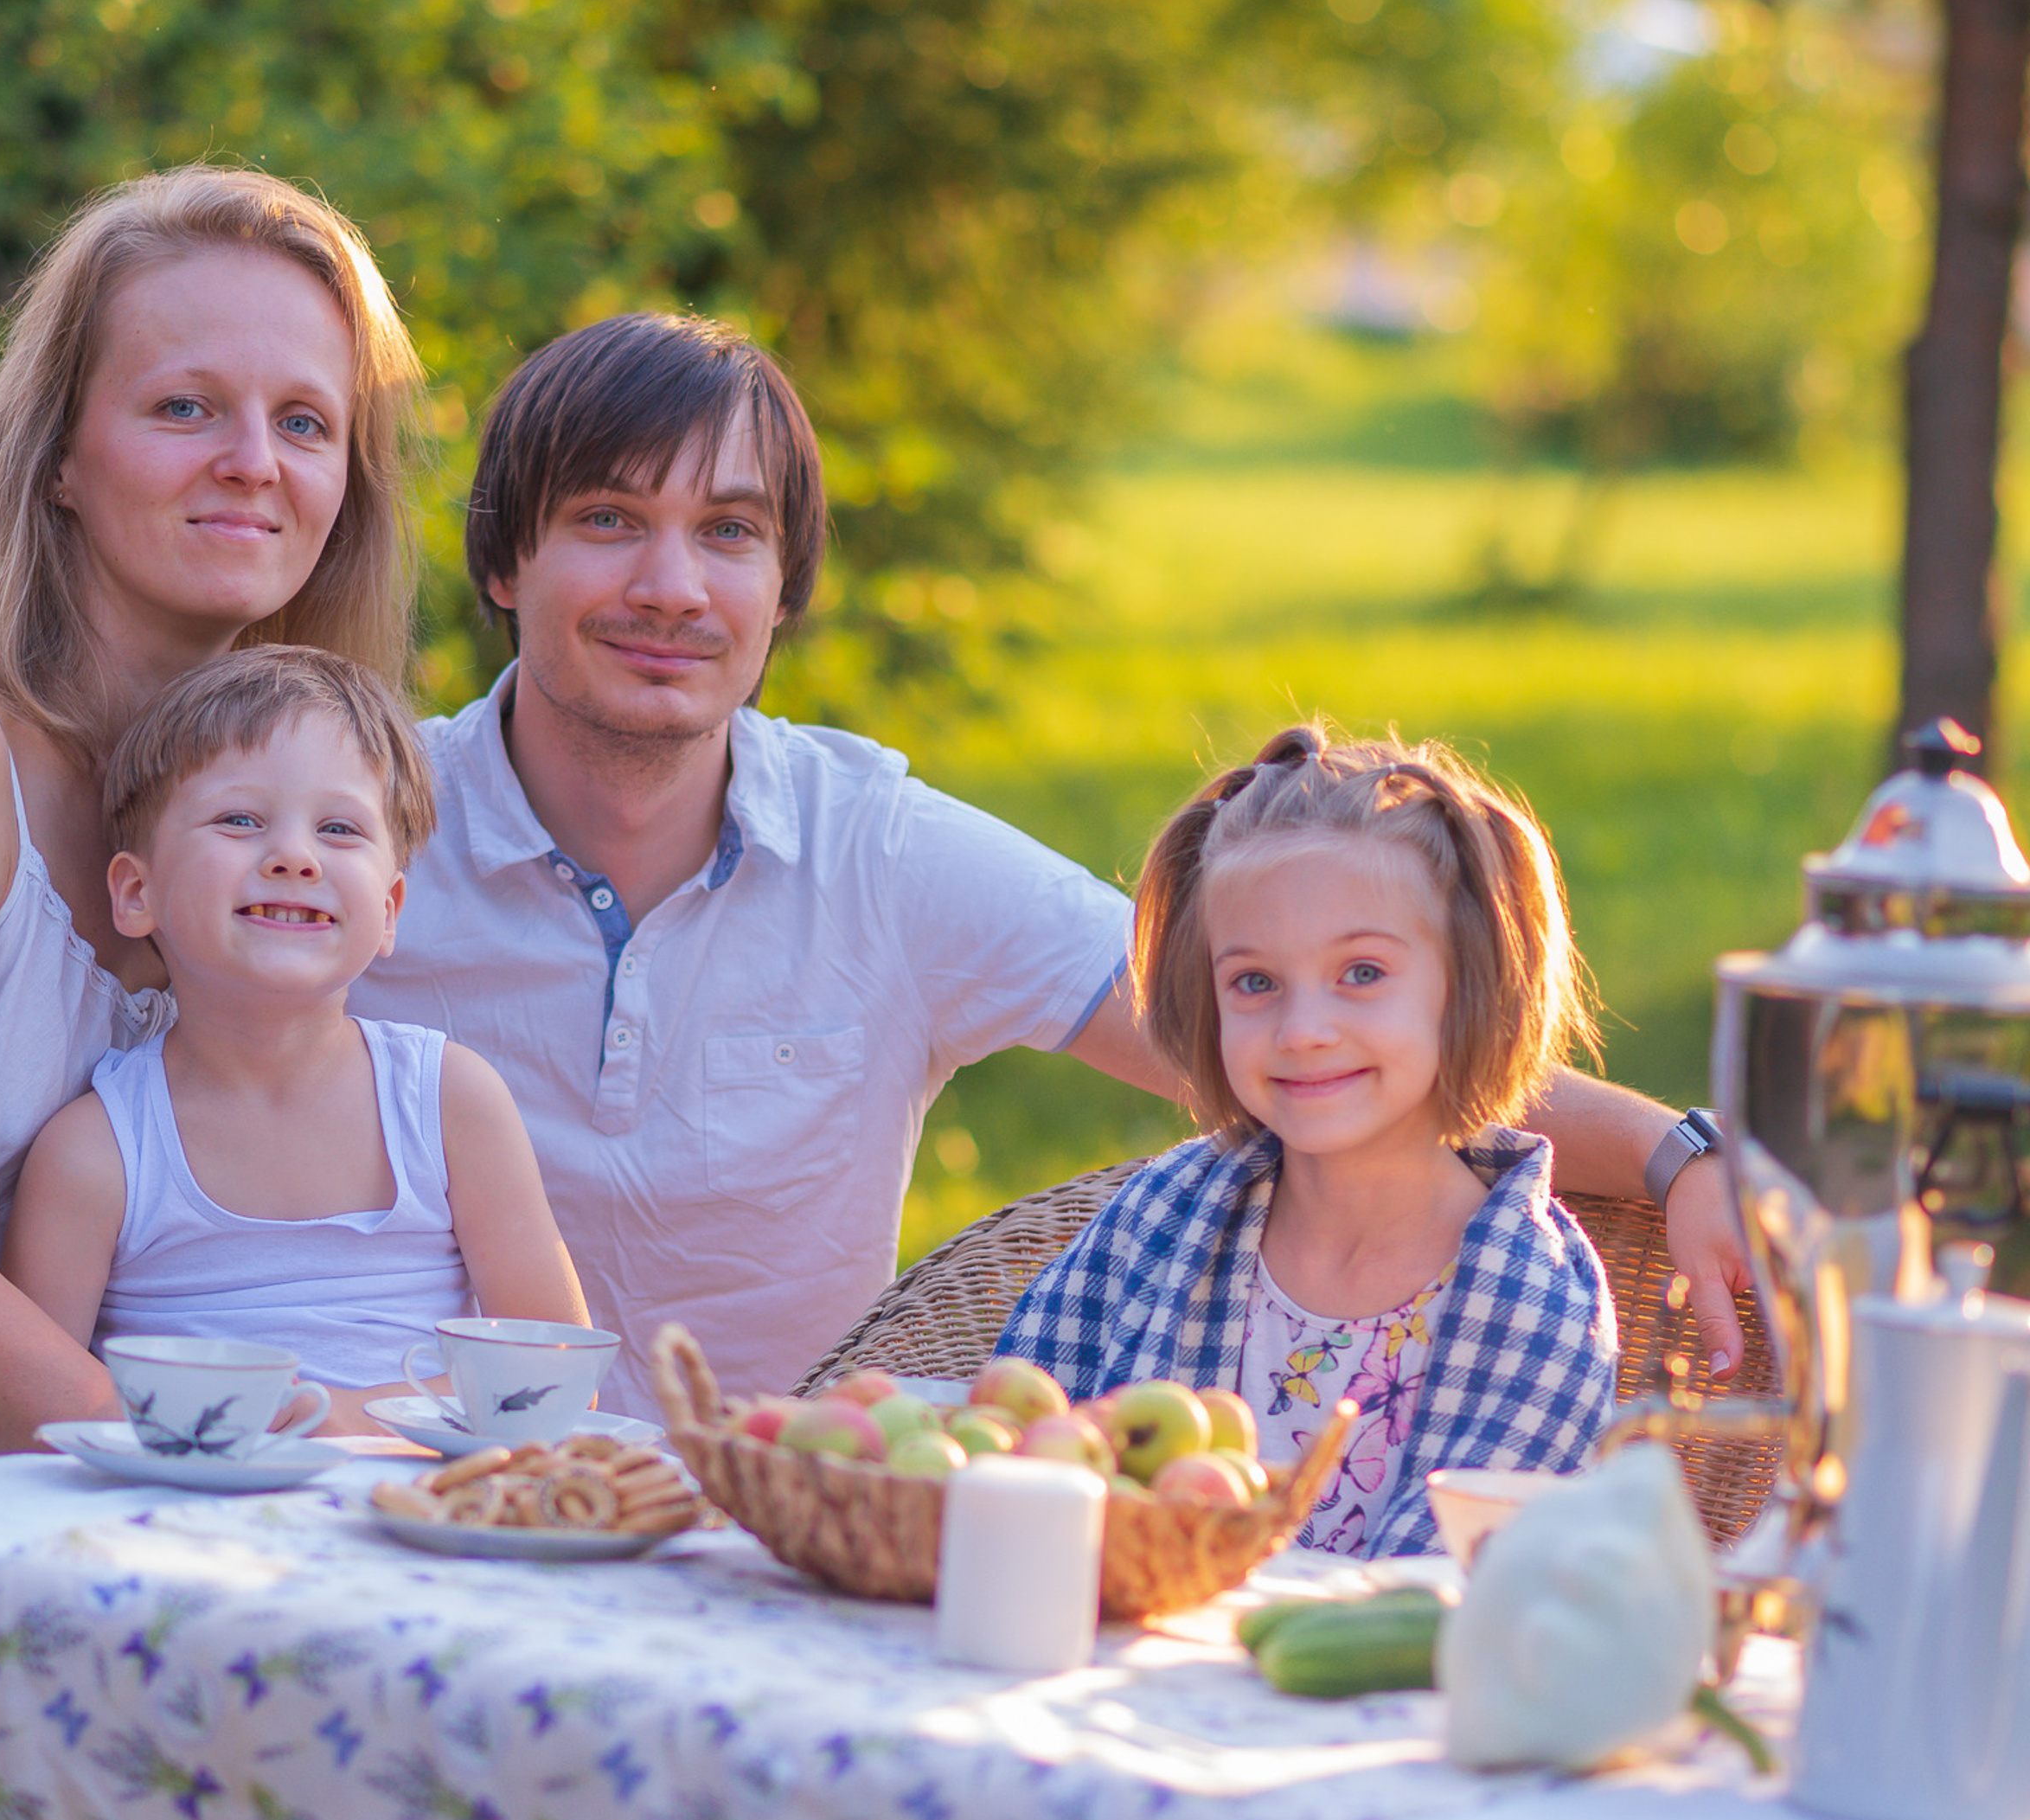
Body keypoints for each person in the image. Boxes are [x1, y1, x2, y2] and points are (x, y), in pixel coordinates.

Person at [355, 310, 1750, 1419]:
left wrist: (1677, 1154)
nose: (674, 587)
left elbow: (1281, 1025)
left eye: (728, 533)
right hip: (401, 1509)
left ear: (784, 589)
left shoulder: (883, 857)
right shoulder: (352, 827)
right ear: (502, 556)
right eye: (609, 521)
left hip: (775, 1542)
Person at [0, 166, 426, 1464]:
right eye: (185, 406)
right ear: (57, 462)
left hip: (121, 1558)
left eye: (307, 424)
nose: (253, 464)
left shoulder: (306, 811)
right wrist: (283, 1467)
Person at [996, 724, 1616, 1558]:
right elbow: (1002, 1462)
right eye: (1254, 982)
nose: (1304, 1030)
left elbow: (1437, 1602)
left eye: (1362, 973)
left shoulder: (1531, 1302)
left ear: (1471, 985)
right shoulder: (1158, 1221)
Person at [1, 649, 587, 1430]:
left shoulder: (448, 1104)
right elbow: (12, 1422)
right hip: (181, 1533)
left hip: (425, 1525)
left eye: (339, 828)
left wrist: (337, 1418)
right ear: (137, 892)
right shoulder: (98, 1151)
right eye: (240, 819)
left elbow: (555, 1372)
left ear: (389, 910)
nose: (293, 856)